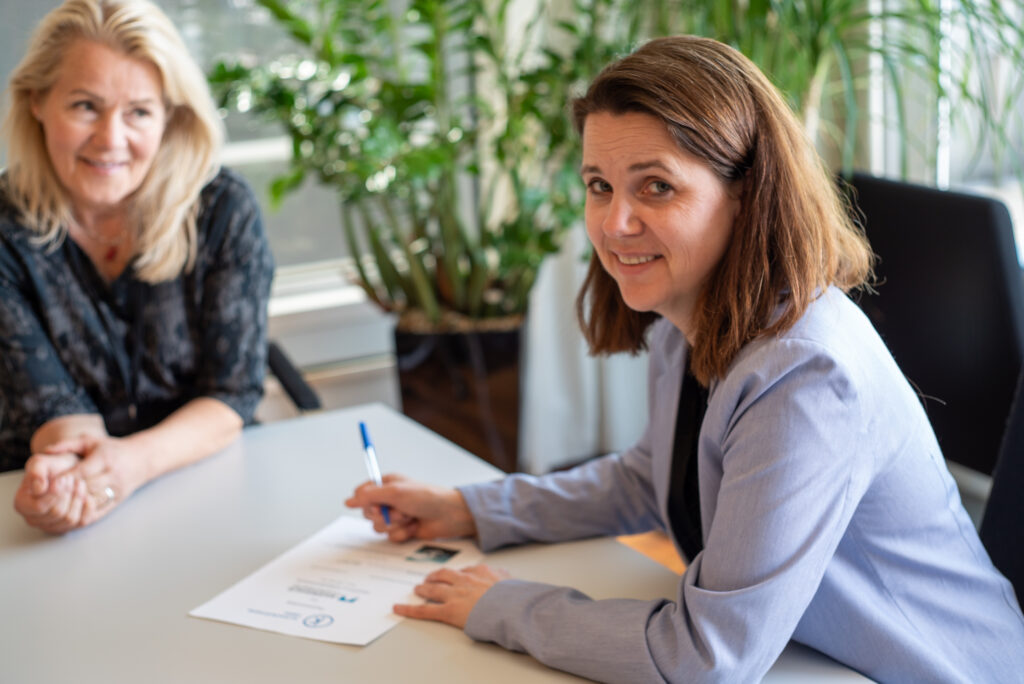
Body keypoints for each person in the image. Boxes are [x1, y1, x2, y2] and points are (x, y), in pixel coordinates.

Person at [346, 36, 1024, 683]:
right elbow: (650, 479)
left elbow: (706, 656)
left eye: (656, 187)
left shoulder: (806, 375)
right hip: (812, 661)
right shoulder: (689, 315)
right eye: (599, 185)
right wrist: (467, 508)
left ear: (746, 193)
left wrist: (505, 607)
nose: (614, 224)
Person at [0, 0, 273, 533]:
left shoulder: (222, 209)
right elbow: (52, 406)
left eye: (139, 112)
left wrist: (129, 466)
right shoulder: (4, 227)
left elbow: (232, 393)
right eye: (85, 105)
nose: (111, 139)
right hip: (43, 482)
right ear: (37, 100)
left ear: (170, 115)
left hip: (203, 489)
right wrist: (66, 484)